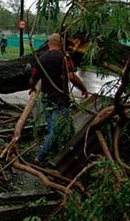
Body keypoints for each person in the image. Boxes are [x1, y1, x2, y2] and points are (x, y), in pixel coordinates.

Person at [29, 33, 89, 164]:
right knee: (56, 130)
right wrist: (83, 89)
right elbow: (72, 77)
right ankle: (40, 157)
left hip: (47, 98)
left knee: (53, 128)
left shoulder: (41, 58)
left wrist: (32, 87)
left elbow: (34, 77)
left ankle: (54, 154)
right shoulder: (64, 58)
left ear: (50, 43)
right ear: (60, 43)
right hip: (59, 99)